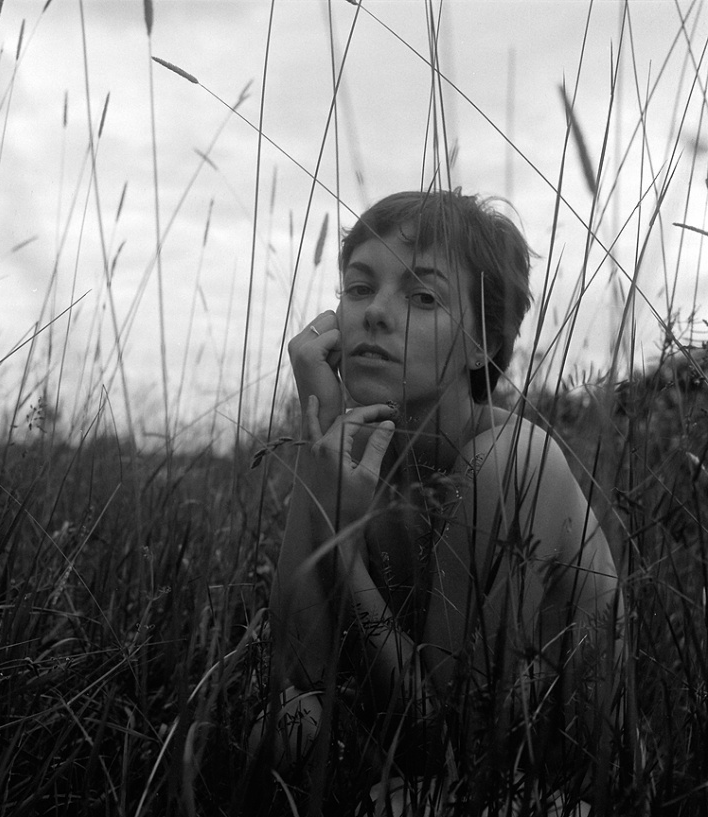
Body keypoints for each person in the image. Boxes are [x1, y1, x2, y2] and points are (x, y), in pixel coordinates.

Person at [256, 190, 623, 815]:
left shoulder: (509, 462)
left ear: (484, 344)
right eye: (358, 287)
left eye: (423, 297)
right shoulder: (358, 446)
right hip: (427, 738)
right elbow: (298, 671)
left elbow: (451, 731)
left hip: (545, 771)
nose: (376, 314)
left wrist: (342, 543)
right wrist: (319, 430)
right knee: (288, 729)